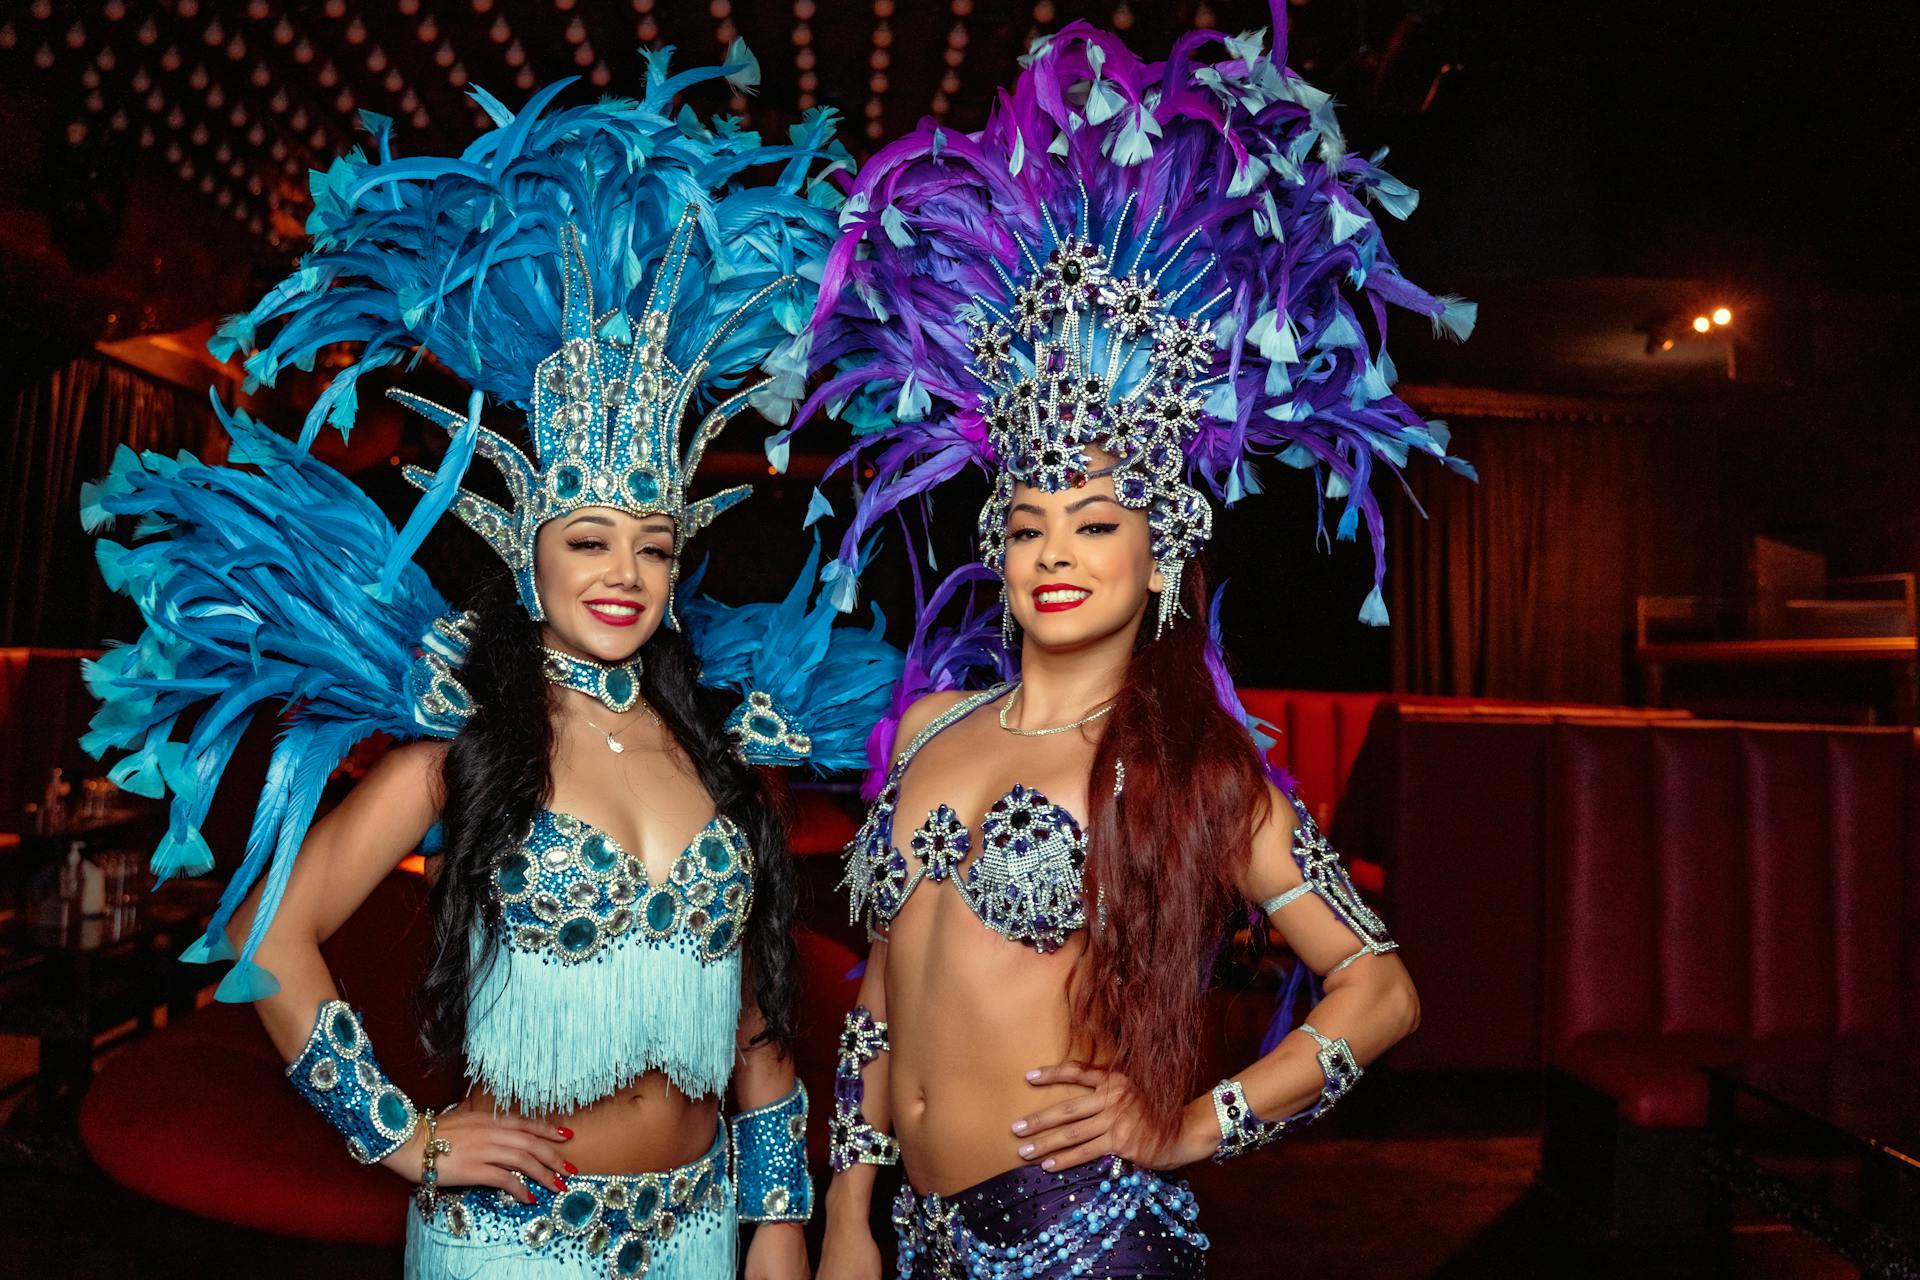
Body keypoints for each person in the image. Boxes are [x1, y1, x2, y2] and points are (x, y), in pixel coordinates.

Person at [82, 50, 891, 1279]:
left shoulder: (721, 747)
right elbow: (269, 937)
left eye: (653, 544)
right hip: (509, 1241)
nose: (621, 571)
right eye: (588, 538)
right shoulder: (456, 752)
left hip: (691, 1229)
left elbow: (759, 1028)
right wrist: (402, 1138)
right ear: (528, 554)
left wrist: (781, 1224)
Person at [788, 14, 1474, 1277]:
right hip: (915, 1236)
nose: (1055, 550)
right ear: (996, 541)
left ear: (1160, 551)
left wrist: (1195, 1121)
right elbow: (884, 997)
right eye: (1030, 521)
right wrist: (846, 1216)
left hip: (1082, 1235)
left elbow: (1380, 988)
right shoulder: (935, 728)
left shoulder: (1190, 764)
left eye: (1094, 522)